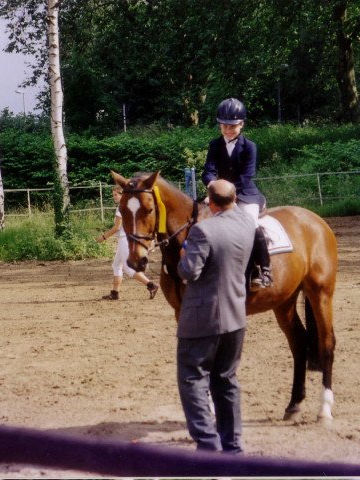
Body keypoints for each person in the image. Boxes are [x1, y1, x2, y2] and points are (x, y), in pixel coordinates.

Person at [176, 179, 255, 453]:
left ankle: (208, 446)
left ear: (209, 202)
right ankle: (232, 447)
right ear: (234, 198)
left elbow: (189, 272)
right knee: (226, 380)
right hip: (236, 317)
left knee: (192, 378)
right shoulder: (247, 223)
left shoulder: (202, 231)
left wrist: (183, 253)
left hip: (203, 319)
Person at [202, 97, 272, 289]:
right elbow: (208, 171)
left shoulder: (250, 147)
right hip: (218, 193)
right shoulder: (215, 145)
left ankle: (263, 270)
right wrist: (213, 185)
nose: (228, 130)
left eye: (232, 126)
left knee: (251, 223)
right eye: (224, 126)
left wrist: (223, 191)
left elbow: (246, 176)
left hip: (245, 194)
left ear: (241, 124)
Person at [97, 185, 159, 300]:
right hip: (126, 239)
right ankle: (114, 293)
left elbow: (116, 227)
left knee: (129, 269)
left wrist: (103, 237)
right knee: (116, 265)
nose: (113, 197)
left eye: (116, 194)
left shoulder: (122, 207)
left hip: (125, 240)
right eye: (113, 195)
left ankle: (151, 285)